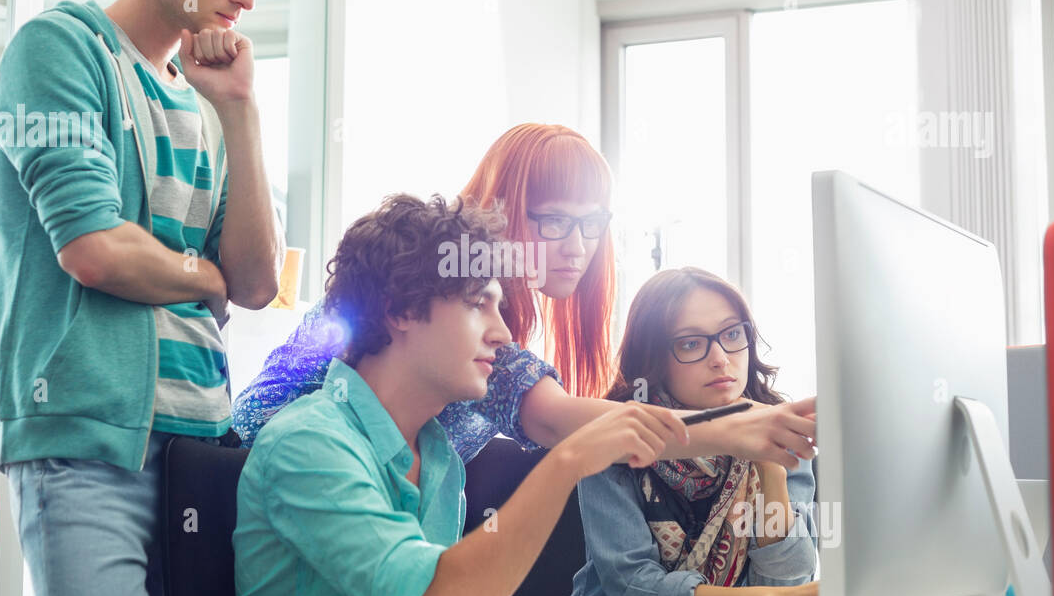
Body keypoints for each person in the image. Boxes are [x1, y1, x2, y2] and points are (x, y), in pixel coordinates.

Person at [0, 0, 288, 596]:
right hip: (85, 443)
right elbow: (93, 250)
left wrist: (239, 108)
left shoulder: (201, 98)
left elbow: (257, 279)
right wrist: (204, 276)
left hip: (199, 449)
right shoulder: (61, 50)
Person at [231, 194, 690, 596]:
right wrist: (567, 462)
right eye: (478, 305)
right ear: (400, 310)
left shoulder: (438, 457)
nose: (504, 333)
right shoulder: (308, 442)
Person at [232, 123, 819, 480]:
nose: (578, 247)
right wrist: (735, 428)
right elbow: (555, 418)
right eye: (555, 221)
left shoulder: (479, 323)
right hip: (272, 501)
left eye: (592, 225)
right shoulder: (444, 294)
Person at [552, 267, 860, 596]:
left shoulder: (780, 431)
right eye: (691, 343)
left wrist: (771, 469)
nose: (720, 358)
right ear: (654, 358)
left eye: (732, 334)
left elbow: (787, 582)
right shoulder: (613, 438)